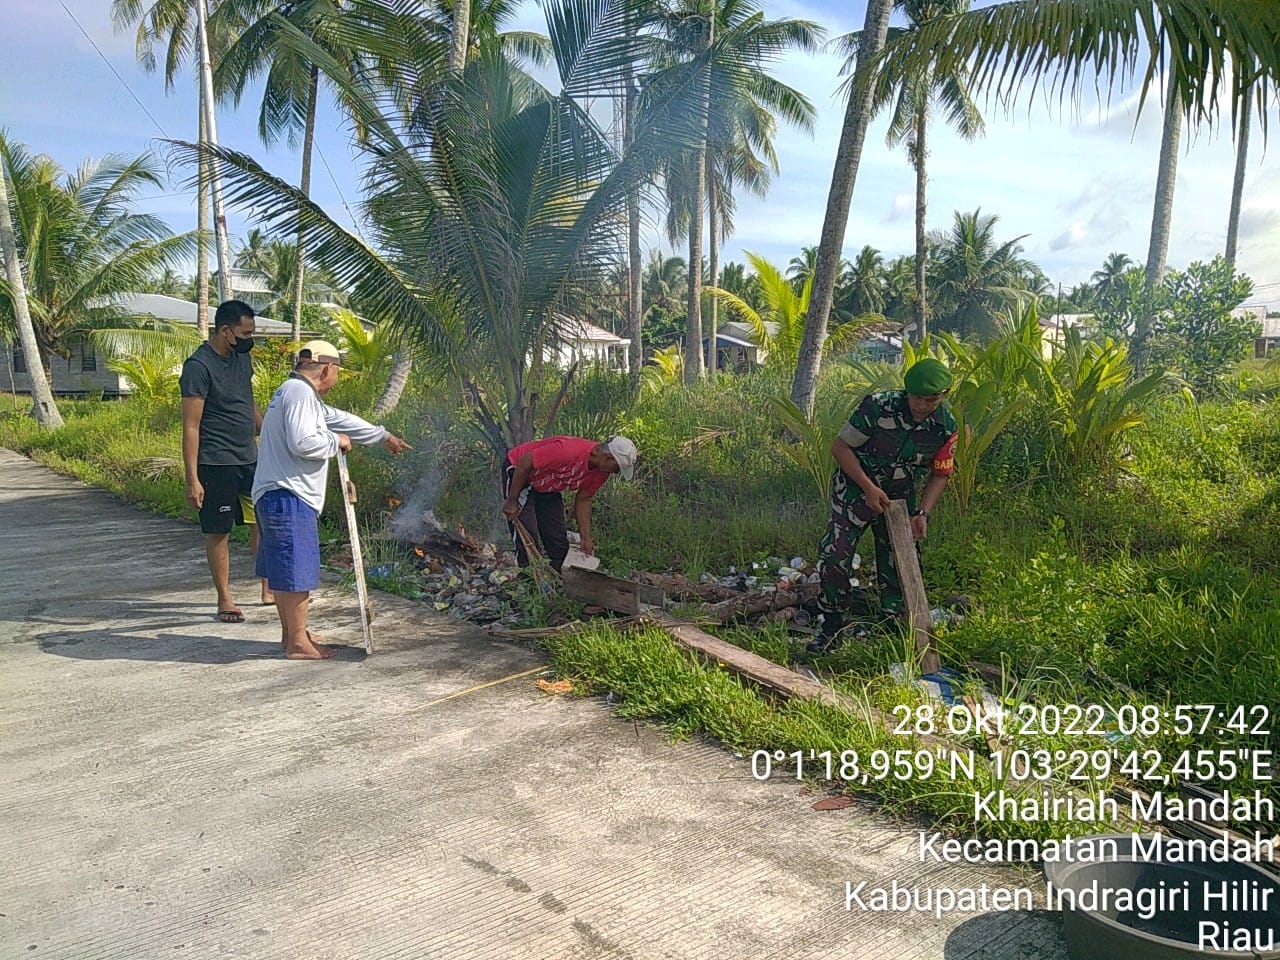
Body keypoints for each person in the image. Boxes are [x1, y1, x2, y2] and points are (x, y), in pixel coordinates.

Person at [252, 341, 411, 660]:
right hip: (289, 494)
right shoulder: (298, 394)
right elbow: (304, 442)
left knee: (284, 570)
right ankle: (298, 643)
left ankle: (292, 635)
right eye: (338, 371)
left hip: (276, 493)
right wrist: (335, 441)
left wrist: (382, 436)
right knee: (295, 572)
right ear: (327, 368)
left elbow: (338, 419)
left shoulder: (295, 392)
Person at [812, 357, 958, 652]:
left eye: (930, 400)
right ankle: (831, 623)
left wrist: (923, 513)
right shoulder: (878, 407)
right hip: (855, 490)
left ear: (942, 396)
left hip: (900, 499)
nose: (922, 406)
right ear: (907, 393)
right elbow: (841, 447)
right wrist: (868, 487)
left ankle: (892, 626)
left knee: (899, 560)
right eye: (917, 399)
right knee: (836, 556)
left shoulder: (945, 426)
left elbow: (940, 474)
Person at [180, 299, 272, 623]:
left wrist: (271, 433)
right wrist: (192, 478)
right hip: (216, 463)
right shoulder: (199, 366)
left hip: (250, 458)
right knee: (219, 531)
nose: (250, 339)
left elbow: (247, 402)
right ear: (225, 330)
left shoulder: (240, 360)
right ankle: (225, 598)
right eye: (246, 333)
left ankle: (268, 587)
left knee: (262, 522)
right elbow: (191, 425)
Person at [501, 435, 637, 571]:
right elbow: (525, 462)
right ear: (608, 457)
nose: (616, 472)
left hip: (548, 484)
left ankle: (559, 575)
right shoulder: (569, 451)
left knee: (557, 539)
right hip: (520, 472)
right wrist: (512, 500)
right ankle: (527, 575)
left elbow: (584, 499)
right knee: (527, 533)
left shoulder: (601, 472)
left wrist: (586, 538)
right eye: (617, 467)